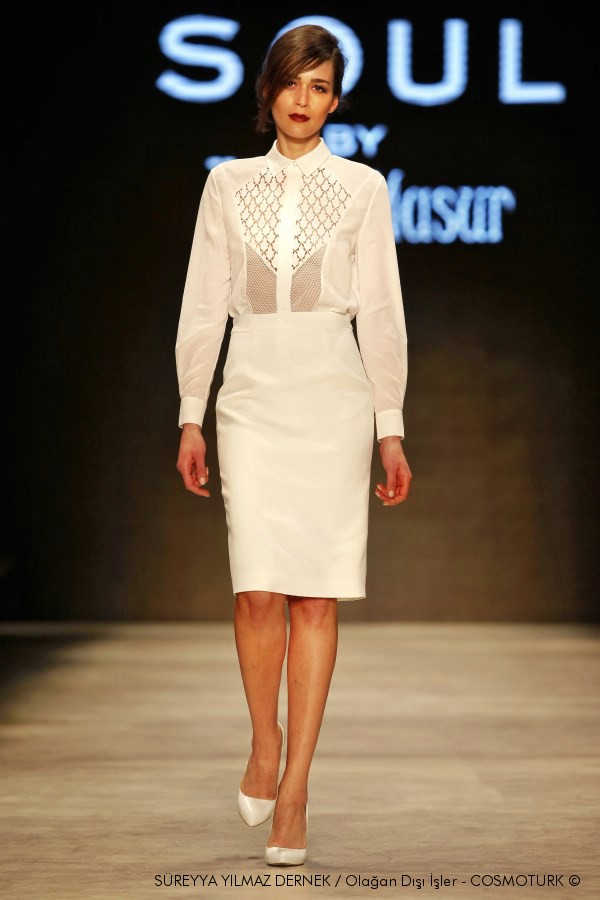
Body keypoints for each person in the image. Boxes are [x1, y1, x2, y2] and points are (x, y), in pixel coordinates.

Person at [175, 23, 412, 866]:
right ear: (268, 91)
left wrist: (390, 426)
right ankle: (263, 741)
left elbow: (380, 309)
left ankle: (298, 786)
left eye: (319, 86)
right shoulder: (227, 184)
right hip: (251, 395)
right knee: (256, 589)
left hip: (333, 395)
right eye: (291, 83)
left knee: (316, 595)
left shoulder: (362, 188)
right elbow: (204, 301)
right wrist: (191, 411)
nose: (303, 100)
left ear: (336, 101)